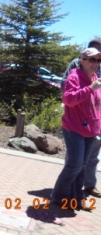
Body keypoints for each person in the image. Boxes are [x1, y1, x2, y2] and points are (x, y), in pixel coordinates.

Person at [51, 48, 101, 209]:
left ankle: (76, 198)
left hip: (91, 131)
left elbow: (96, 106)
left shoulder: (96, 79)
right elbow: (68, 99)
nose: (95, 63)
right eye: (92, 59)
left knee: (83, 166)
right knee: (74, 165)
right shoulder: (74, 77)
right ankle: (58, 197)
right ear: (82, 60)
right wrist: (89, 89)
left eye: (98, 60)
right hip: (74, 128)